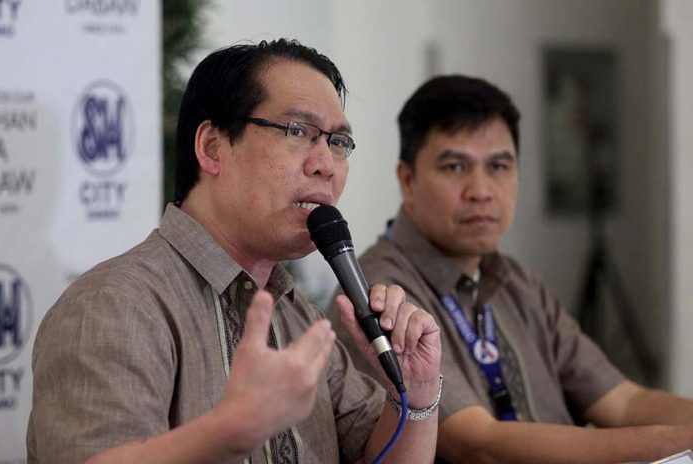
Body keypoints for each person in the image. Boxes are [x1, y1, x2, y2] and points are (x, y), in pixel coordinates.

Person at [27, 39, 443, 464]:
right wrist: (230, 433)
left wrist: (418, 394)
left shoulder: (298, 316)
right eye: (297, 131)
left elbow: (382, 454)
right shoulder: (113, 307)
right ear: (212, 147)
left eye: (338, 142)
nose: (326, 164)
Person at [329, 74, 693, 463]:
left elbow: (623, 402)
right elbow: (477, 444)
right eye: (454, 167)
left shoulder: (516, 280)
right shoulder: (376, 293)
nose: (481, 190)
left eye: (499, 166)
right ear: (407, 180)